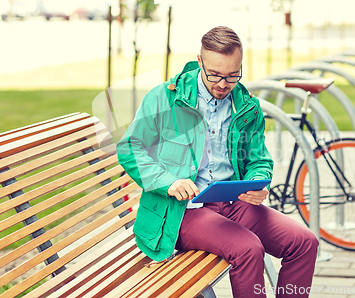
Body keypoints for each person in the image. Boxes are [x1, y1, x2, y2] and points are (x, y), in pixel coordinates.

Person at [117, 26, 318, 297]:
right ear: (199, 61)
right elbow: (131, 148)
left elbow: (258, 158)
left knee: (304, 243)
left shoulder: (247, 106)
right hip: (182, 210)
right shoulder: (165, 96)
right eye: (214, 75)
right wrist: (170, 182)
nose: (223, 84)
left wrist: (258, 182)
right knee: (248, 248)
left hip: (233, 203)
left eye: (233, 75)